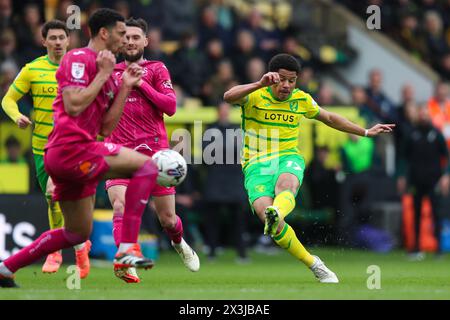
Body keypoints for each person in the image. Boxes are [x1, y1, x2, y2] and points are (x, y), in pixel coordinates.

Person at [0, 8, 157, 288]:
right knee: (148, 166)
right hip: (71, 148)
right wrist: (103, 75)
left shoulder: (109, 73)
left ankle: (6, 268)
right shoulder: (79, 58)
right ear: (104, 33)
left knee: (76, 232)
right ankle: (127, 248)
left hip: (80, 151)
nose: (126, 40)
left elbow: (105, 129)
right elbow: (73, 104)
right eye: (122, 33)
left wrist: (123, 87)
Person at [224, 53, 395, 283]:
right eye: (282, 79)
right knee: (271, 222)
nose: (286, 85)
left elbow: (330, 118)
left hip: (287, 157)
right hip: (256, 164)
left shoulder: (301, 99)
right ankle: (314, 263)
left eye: (291, 80)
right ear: (272, 77)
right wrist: (258, 83)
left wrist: (365, 132)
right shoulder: (255, 95)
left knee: (287, 184)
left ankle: (277, 212)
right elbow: (228, 96)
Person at [105, 17, 199, 284]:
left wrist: (140, 84)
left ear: (145, 41)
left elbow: (170, 106)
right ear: (119, 40)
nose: (131, 41)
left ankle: (179, 243)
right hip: (120, 152)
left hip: (155, 155)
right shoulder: (109, 72)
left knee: (168, 220)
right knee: (121, 204)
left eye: (136, 37)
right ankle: (125, 258)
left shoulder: (157, 69)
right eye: (126, 37)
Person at [1, 20, 92, 277]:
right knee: (53, 198)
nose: (58, 42)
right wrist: (17, 116)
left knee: (73, 198)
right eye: (52, 38)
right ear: (44, 42)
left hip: (75, 146)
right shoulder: (32, 70)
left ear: (69, 40)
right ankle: (77, 245)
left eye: (62, 37)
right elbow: (8, 99)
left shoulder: (80, 68)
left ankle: (66, 249)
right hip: (44, 148)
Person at [397, 103, 450, 260]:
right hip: (415, 181)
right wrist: (401, 176)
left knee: (437, 213)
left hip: (434, 180)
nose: (424, 116)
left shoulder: (436, 134)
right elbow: (403, 157)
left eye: (426, 114)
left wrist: (446, 175)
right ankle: (416, 248)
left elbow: (446, 156)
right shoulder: (411, 133)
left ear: (429, 116)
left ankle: (439, 249)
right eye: (421, 114)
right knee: (416, 214)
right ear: (418, 115)